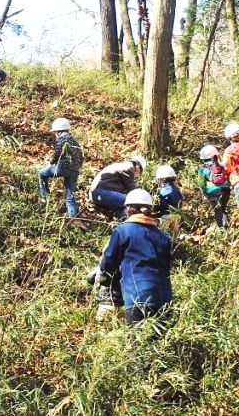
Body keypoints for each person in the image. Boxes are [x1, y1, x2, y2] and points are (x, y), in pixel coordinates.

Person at [97, 189, 172, 325]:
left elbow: (108, 261)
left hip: (138, 297)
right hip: (165, 300)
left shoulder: (123, 231)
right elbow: (167, 267)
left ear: (129, 209)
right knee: (159, 342)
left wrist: (101, 274)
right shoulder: (163, 237)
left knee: (137, 343)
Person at [38, 118, 83, 217]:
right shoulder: (75, 142)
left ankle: (44, 198)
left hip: (62, 168)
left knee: (41, 173)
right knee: (69, 196)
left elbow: (57, 153)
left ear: (58, 131)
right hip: (75, 171)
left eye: (55, 132)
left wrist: (51, 163)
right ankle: (72, 218)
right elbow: (81, 157)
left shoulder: (62, 139)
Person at [197, 145, 231, 228]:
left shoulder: (203, 168)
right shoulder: (222, 165)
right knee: (223, 209)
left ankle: (222, 229)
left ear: (203, 158)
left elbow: (201, 183)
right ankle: (227, 228)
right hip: (226, 189)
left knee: (218, 210)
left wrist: (205, 194)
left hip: (213, 191)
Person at [155, 165, 183, 234]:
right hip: (177, 216)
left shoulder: (164, 190)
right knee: (175, 235)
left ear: (163, 179)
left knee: (165, 234)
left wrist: (155, 209)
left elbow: (163, 206)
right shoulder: (176, 189)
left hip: (167, 217)